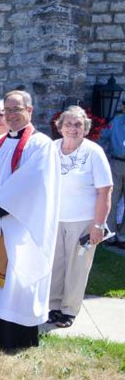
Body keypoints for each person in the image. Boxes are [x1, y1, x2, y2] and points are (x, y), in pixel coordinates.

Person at [0, 90, 61, 348]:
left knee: (17, 276)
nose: (11, 115)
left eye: (16, 109)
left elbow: (33, 182)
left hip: (20, 224)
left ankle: (14, 335)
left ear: (30, 110)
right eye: (7, 111)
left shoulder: (41, 144)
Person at [49, 106, 113, 328]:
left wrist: (99, 224)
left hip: (83, 220)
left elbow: (105, 190)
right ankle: (53, 306)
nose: (73, 128)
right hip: (54, 220)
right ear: (60, 127)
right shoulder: (51, 149)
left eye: (78, 124)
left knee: (76, 268)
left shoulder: (94, 152)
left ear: (85, 128)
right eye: (68, 124)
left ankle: (69, 310)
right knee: (54, 265)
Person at [99, 99, 125, 248]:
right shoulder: (116, 121)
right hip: (116, 162)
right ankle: (110, 234)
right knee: (112, 199)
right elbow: (103, 137)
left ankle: (122, 236)